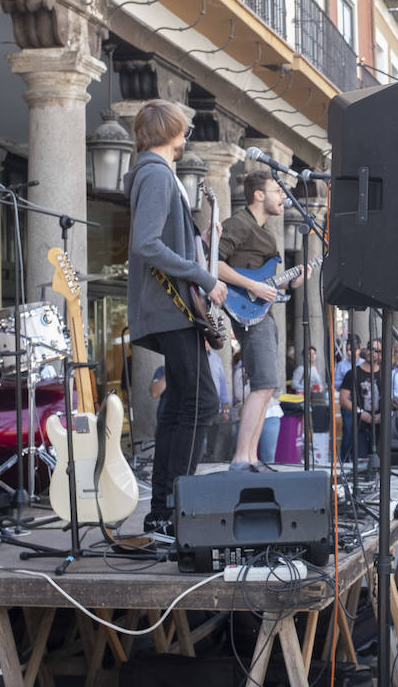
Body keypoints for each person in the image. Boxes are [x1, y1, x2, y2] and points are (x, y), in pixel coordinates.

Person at [124, 100, 228, 535]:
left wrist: (197, 240)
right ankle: (174, 507)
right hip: (171, 310)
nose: (186, 136)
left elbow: (160, 240)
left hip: (168, 309)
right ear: (171, 132)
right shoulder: (155, 174)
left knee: (178, 404)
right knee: (202, 402)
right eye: (183, 130)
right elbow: (146, 243)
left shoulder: (152, 173)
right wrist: (205, 276)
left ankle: (163, 508)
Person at [217, 168, 307, 473]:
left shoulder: (266, 233)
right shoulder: (239, 223)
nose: (283, 196)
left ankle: (251, 457)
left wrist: (291, 281)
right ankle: (241, 457)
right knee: (262, 384)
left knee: (268, 385)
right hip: (246, 312)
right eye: (277, 191)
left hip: (261, 312)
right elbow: (213, 264)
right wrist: (255, 287)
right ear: (258, 194)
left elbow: (264, 280)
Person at [340, 339, 382, 463]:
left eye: (376, 350)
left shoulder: (385, 373)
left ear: (381, 354)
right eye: (370, 348)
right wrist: (360, 412)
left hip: (380, 425)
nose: (372, 352)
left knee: (379, 462)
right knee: (360, 462)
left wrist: (383, 415)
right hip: (359, 425)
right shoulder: (353, 373)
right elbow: (343, 399)